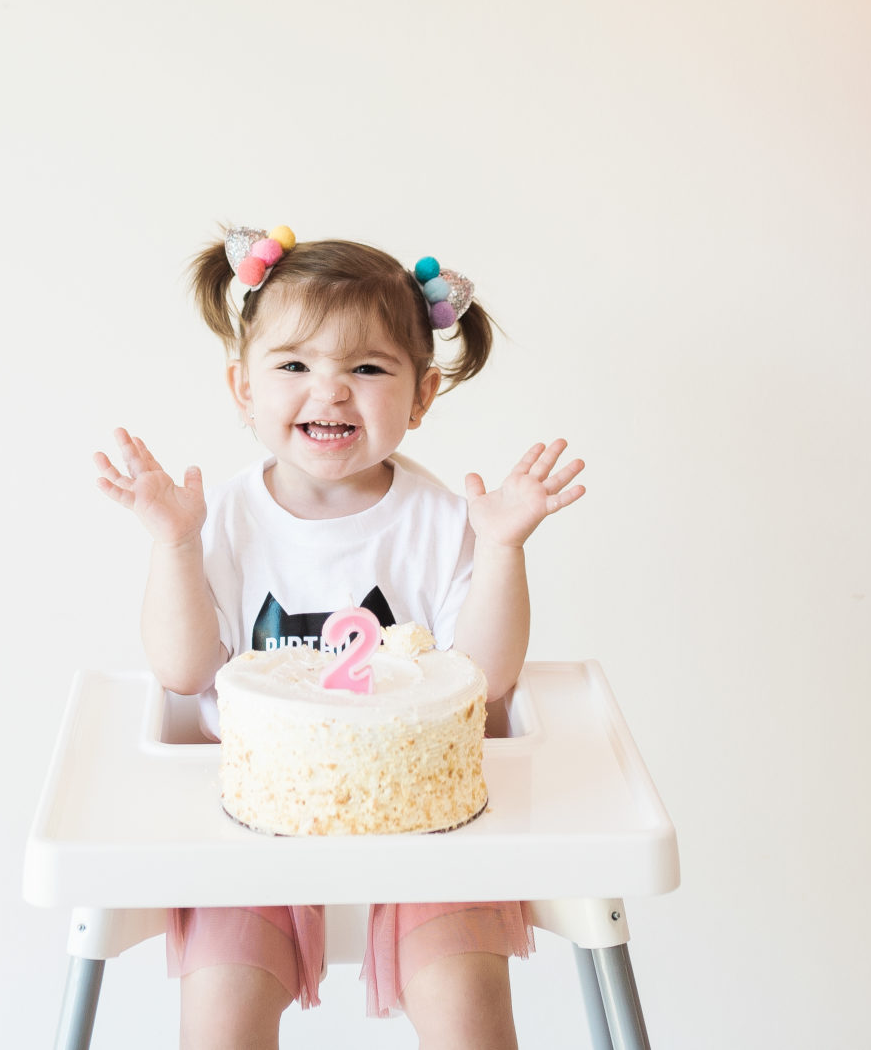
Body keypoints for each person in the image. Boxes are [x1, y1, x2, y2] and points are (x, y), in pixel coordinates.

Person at [95, 225, 587, 1050]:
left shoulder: (441, 520)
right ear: (242, 388)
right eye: (293, 365)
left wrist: (503, 548)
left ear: (423, 394)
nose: (329, 391)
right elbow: (185, 673)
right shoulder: (217, 517)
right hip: (256, 806)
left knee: (469, 1020)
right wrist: (173, 545)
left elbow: (487, 679)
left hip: (423, 812)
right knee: (218, 1023)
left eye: (366, 367)